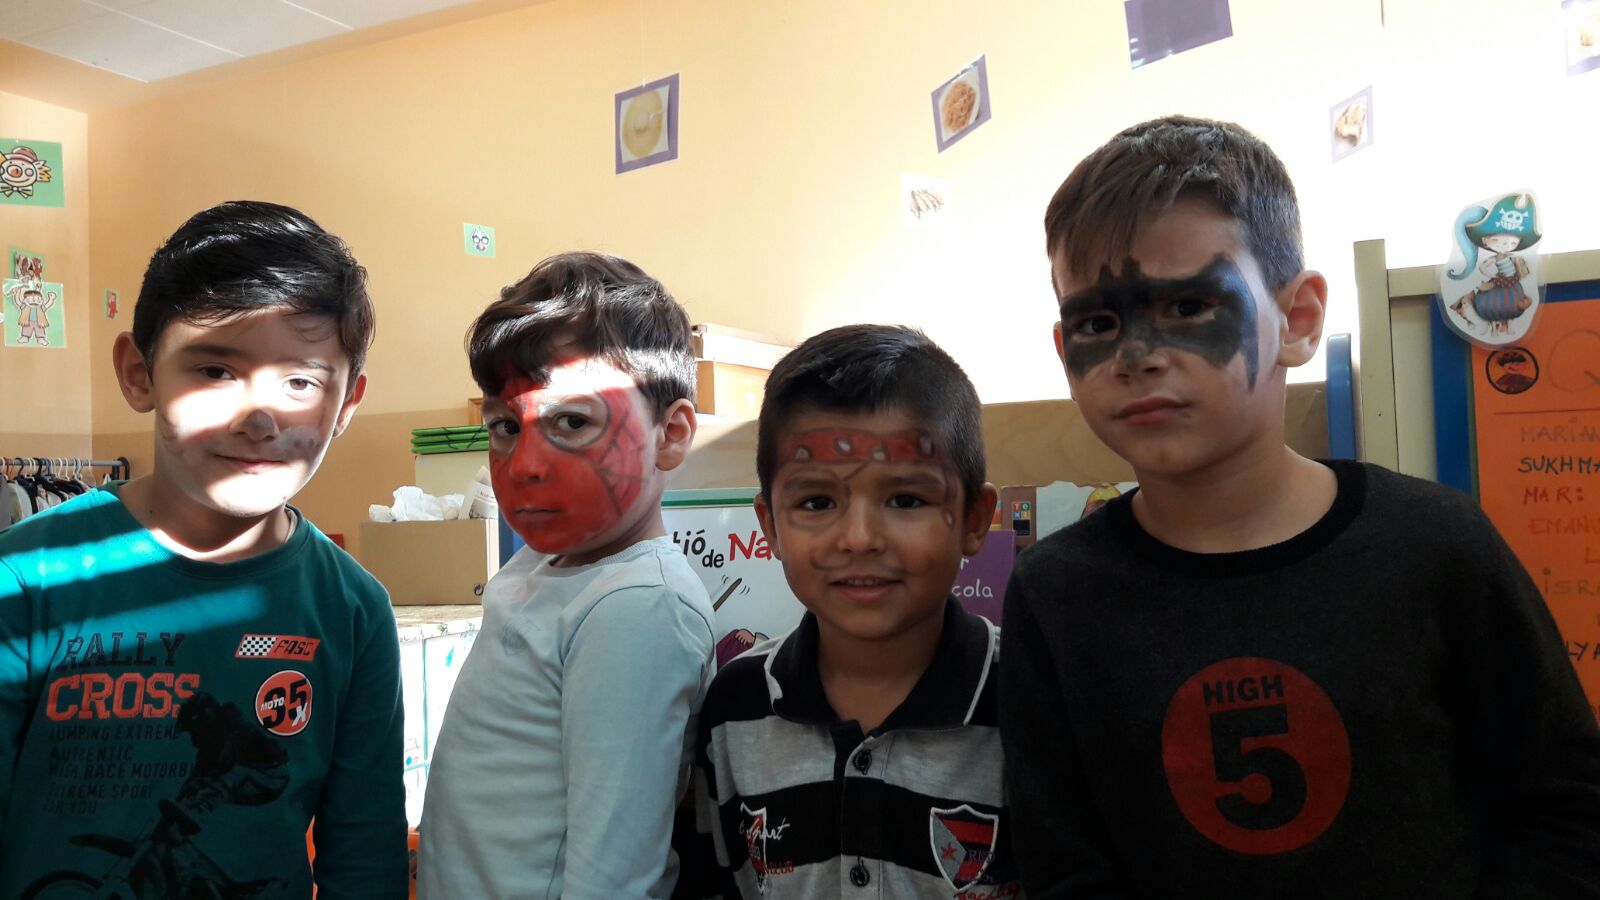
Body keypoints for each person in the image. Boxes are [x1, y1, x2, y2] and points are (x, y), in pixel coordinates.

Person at [999, 114, 1600, 897]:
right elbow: (1063, 866)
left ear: (1298, 320)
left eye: (1187, 308)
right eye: (1098, 323)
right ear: (1063, 349)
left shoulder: (1435, 546)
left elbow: (1566, 810)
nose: (1136, 357)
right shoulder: (1055, 594)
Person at [0, 200, 407, 897]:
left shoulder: (352, 609)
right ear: (139, 373)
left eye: (302, 381)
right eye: (216, 370)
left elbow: (365, 857)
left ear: (345, 405)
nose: (260, 417)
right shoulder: (27, 578)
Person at [684, 324, 1023, 898]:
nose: (859, 538)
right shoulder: (734, 707)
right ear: (770, 527)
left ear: (973, 519)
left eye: (906, 499)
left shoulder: (1030, 697)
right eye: (817, 501)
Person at [418, 252, 716, 900]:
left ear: (670, 435)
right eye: (505, 426)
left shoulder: (636, 608)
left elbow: (614, 878)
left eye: (573, 422)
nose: (524, 464)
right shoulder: (542, 562)